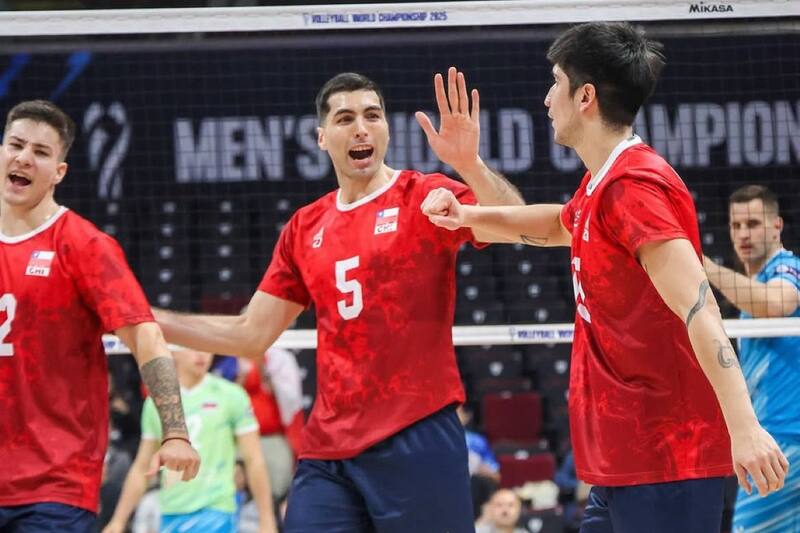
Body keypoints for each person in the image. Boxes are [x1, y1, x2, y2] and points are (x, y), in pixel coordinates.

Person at [420, 22, 788, 533]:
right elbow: (556, 225)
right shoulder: (601, 184)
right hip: (626, 461)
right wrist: (468, 215)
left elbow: (699, 308)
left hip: (669, 458)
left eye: (555, 82)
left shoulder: (634, 187)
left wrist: (745, 428)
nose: (548, 98)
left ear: (585, 95)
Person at [153, 68, 524, 532]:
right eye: (345, 119)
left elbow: (514, 228)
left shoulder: (422, 196)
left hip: (416, 431)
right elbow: (251, 336)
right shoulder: (305, 227)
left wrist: (470, 165)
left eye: (372, 115)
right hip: (329, 448)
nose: (361, 128)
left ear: (387, 129)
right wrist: (148, 319)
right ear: (323, 137)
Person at [0, 100, 200, 532]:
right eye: (15, 145)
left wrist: (176, 432)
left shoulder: (83, 246)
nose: (23, 158)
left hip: (53, 486)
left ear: (59, 172)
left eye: (40, 151)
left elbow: (146, 337)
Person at [703, 184, 800, 533]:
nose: (743, 234)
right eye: (736, 226)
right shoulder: (754, 289)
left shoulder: (788, 268)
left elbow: (777, 305)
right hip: (777, 440)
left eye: (754, 224)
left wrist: (702, 268)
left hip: (786, 441)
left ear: (777, 226)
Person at [103, 348, 278, 533]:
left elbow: (254, 461)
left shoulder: (231, 395)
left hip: (217, 512)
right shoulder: (156, 402)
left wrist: (266, 520)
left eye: (206, 347)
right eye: (193, 347)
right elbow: (142, 467)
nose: (202, 354)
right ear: (173, 350)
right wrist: (118, 521)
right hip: (171, 512)